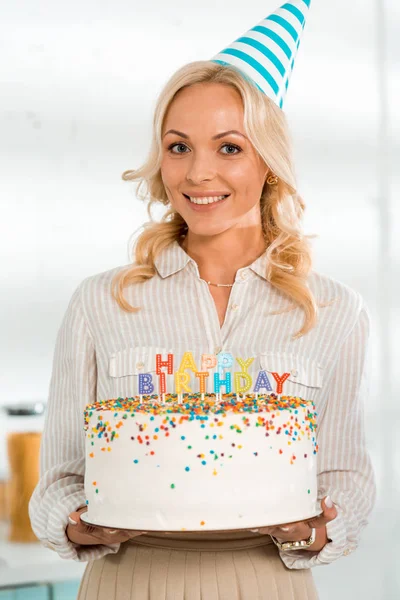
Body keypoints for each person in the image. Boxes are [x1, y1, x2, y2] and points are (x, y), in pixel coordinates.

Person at [29, 2, 376, 598]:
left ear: (269, 161)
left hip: (269, 582)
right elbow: (59, 480)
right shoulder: (100, 302)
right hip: (127, 580)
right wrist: (76, 523)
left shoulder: (333, 311)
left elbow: (346, 480)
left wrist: (316, 530)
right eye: (179, 146)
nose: (198, 174)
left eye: (230, 148)